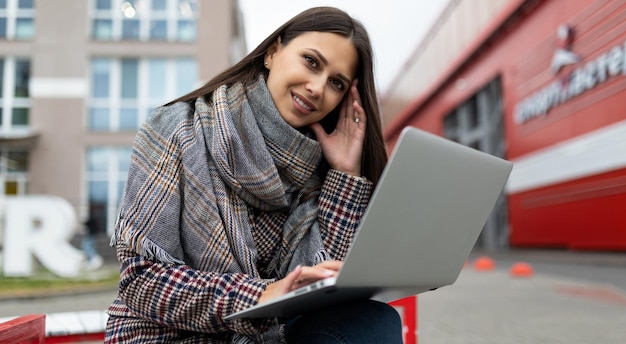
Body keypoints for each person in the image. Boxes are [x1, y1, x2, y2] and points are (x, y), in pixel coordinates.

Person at [105, 6, 402, 343]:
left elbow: (328, 287)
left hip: (264, 337)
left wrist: (345, 173)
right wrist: (261, 296)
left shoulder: (316, 169)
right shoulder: (177, 129)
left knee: (374, 320)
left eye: (336, 82)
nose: (317, 88)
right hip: (167, 337)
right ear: (273, 52)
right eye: (311, 62)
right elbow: (141, 280)